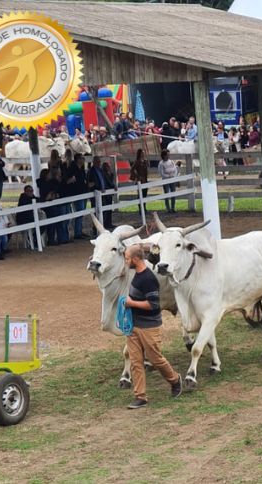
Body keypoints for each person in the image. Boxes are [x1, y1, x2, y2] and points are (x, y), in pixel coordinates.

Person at [123, 244, 183, 409]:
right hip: (134, 325)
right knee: (136, 361)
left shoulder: (148, 279)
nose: (125, 261)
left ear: (135, 259)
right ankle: (140, 396)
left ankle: (175, 380)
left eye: (127, 258)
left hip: (148, 327)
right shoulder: (137, 275)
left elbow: (153, 305)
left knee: (155, 359)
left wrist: (131, 303)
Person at [87, 156, 114, 230]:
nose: (99, 163)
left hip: (102, 193)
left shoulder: (101, 170)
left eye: (99, 162)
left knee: (103, 210)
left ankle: (103, 226)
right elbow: (89, 183)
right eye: (97, 162)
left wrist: (113, 186)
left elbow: (106, 180)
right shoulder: (91, 171)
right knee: (96, 211)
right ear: (94, 162)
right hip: (96, 194)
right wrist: (96, 186)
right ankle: (96, 228)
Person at [69, 154, 89, 239]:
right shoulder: (73, 169)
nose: (83, 160)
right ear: (77, 159)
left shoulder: (81, 169)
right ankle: (77, 232)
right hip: (77, 194)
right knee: (79, 213)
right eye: (81, 158)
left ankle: (79, 231)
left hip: (83, 192)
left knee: (81, 213)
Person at [158, 149, 178, 213]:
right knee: (166, 194)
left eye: (169, 154)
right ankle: (168, 208)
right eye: (167, 155)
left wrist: (173, 176)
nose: (168, 156)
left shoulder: (171, 162)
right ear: (164, 155)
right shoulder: (161, 163)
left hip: (172, 180)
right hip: (165, 181)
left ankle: (173, 207)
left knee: (173, 193)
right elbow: (161, 173)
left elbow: (175, 169)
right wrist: (168, 176)